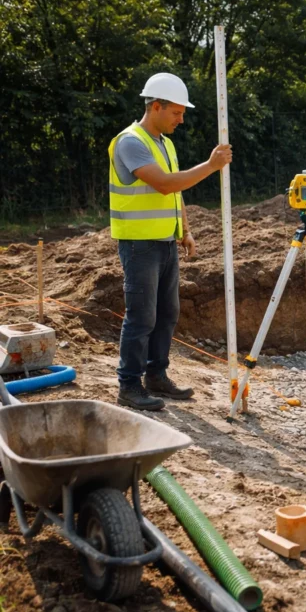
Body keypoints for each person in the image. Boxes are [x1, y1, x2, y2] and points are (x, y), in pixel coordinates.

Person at [109, 72, 232, 411]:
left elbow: (173, 194)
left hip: (165, 243)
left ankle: (156, 376)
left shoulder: (165, 143)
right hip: (139, 245)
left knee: (167, 313)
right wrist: (211, 165)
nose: (181, 119)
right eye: (177, 112)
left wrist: (186, 231)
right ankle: (129, 385)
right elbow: (163, 183)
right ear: (157, 106)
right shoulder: (131, 141)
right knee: (142, 316)